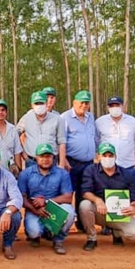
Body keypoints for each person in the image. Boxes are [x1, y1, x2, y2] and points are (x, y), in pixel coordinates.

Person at [79, 143, 135, 251]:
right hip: (100, 211)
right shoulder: (91, 170)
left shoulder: (127, 174)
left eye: (110, 156)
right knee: (85, 205)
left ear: (116, 157)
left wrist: (134, 207)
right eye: (104, 155)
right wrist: (97, 200)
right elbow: (85, 192)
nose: (107, 158)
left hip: (119, 213)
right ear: (98, 157)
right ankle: (92, 238)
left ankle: (116, 231)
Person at [18, 144, 75, 255]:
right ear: (36, 158)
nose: (45, 159)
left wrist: (47, 201)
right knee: (34, 232)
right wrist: (35, 210)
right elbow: (21, 198)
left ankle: (58, 240)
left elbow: (68, 197)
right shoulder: (26, 174)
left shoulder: (62, 173)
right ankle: (38, 235)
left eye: (48, 156)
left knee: (69, 212)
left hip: (54, 208)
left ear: (53, 158)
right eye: (42, 156)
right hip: (34, 209)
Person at [60, 90, 99, 222]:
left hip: (88, 163)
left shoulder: (91, 117)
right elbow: (61, 141)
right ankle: (65, 221)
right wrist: (63, 159)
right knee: (68, 192)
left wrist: (97, 153)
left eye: (87, 103)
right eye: (81, 102)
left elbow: (94, 137)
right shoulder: (64, 118)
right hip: (71, 162)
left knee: (85, 192)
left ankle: (82, 223)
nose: (84, 105)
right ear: (74, 102)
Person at [16, 90, 66, 168]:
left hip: (51, 162)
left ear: (46, 103)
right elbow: (15, 136)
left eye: (41, 103)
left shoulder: (57, 119)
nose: (39, 106)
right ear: (32, 105)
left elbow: (62, 142)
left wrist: (62, 165)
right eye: (36, 103)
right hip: (31, 162)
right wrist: (24, 154)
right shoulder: (26, 118)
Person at [95, 96, 135, 170]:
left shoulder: (133, 121)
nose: (114, 108)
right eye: (112, 106)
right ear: (108, 108)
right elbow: (97, 140)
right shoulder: (100, 122)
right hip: (106, 165)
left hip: (127, 164)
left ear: (122, 106)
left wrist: (128, 152)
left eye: (117, 105)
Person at [0, 99, 23, 177]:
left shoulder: (12, 129)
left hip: (9, 171)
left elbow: (17, 152)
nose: (0, 112)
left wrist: (19, 170)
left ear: (6, 113)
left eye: (3, 110)